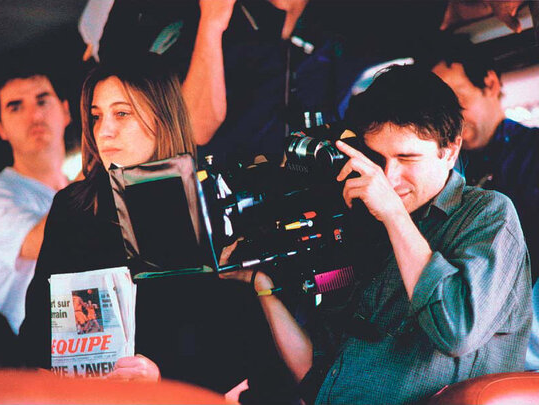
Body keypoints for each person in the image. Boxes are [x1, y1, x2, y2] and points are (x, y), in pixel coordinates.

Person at [225, 65, 532, 404]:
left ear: (450, 150)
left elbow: (456, 329)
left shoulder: (487, 215)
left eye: (407, 158)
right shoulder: (366, 226)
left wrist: (393, 214)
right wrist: (261, 287)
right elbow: (320, 375)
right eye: (378, 158)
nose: (389, 177)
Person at [18, 54, 293, 401]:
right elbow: (35, 337)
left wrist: (160, 382)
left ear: (163, 118)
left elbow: (241, 355)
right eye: (97, 116)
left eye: (122, 113)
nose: (105, 130)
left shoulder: (212, 202)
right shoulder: (74, 207)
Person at [0, 68, 70, 334]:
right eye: (15, 107)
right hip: (24, 362)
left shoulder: (78, 189)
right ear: (0, 127)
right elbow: (49, 242)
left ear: (66, 111)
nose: (34, 115)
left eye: (42, 100)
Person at [426, 35, 539, 282]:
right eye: (440, 111)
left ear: (490, 83)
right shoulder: (436, 166)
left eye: (458, 100)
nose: (451, 120)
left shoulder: (532, 152)